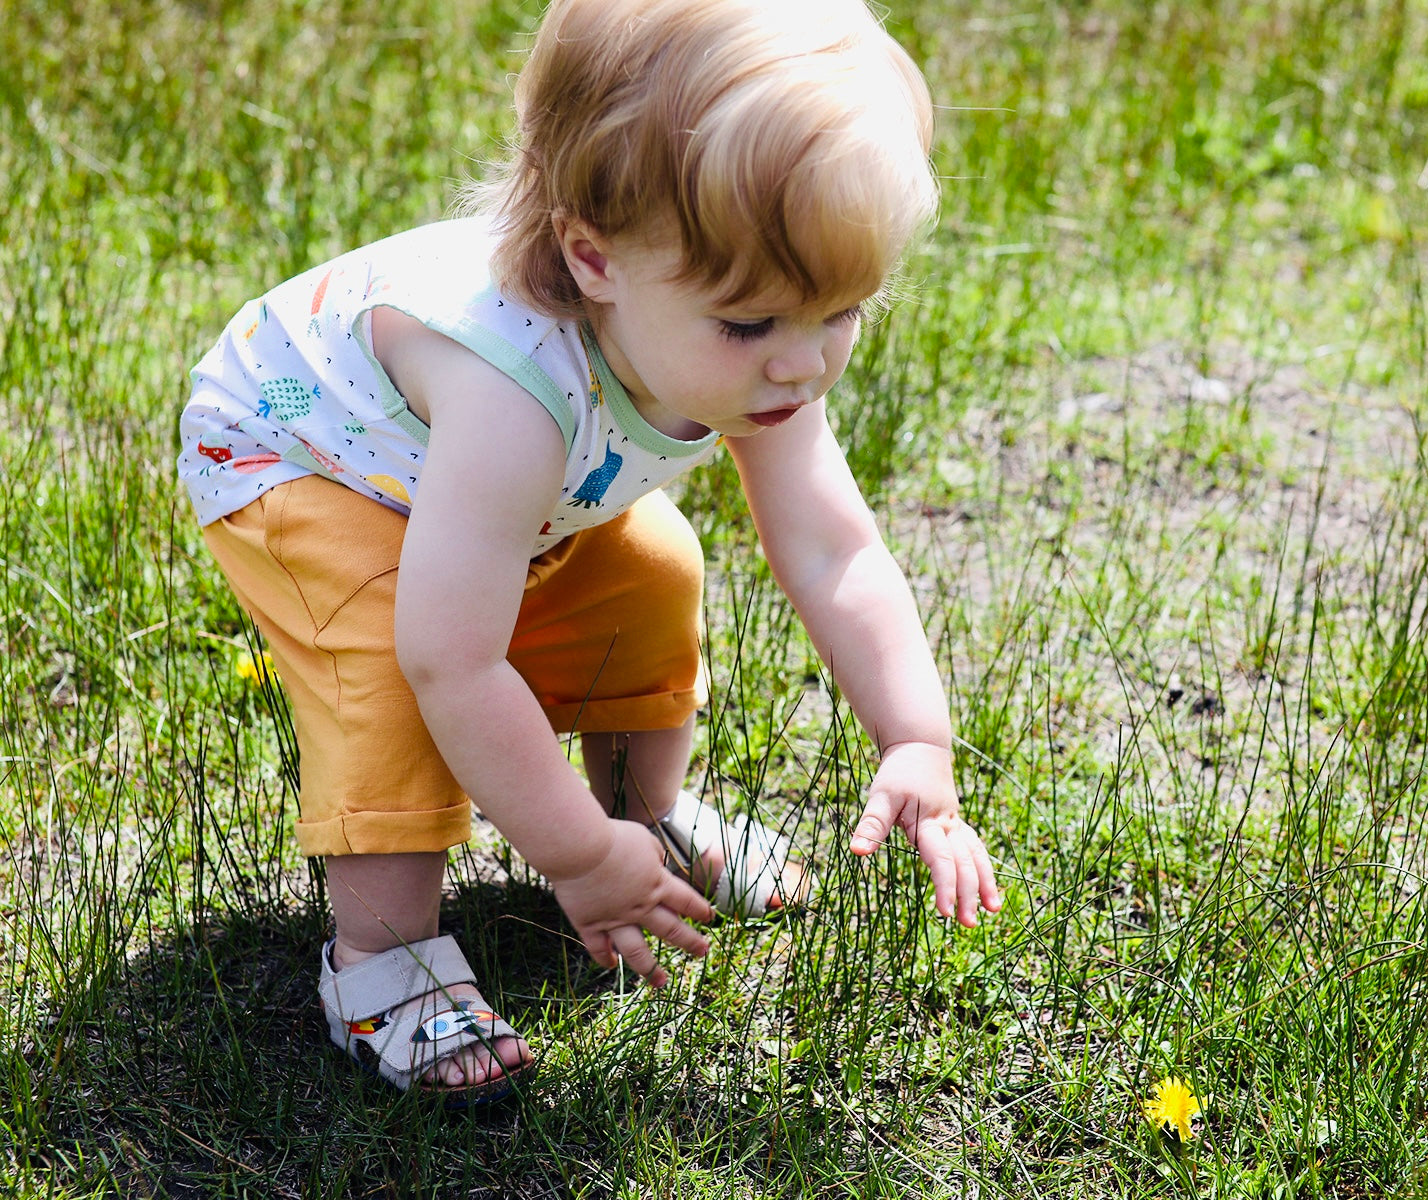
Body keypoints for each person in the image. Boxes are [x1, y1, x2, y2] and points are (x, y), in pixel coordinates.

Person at [178, 0, 1001, 1105]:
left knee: (649, 572)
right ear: (592, 257)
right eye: (750, 324)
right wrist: (566, 855)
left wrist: (915, 735)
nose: (803, 365)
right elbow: (453, 661)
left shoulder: (755, 349)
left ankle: (641, 814)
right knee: (385, 665)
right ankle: (384, 956)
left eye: (843, 311)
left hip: (478, 480)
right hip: (305, 455)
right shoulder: (508, 391)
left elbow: (834, 548)